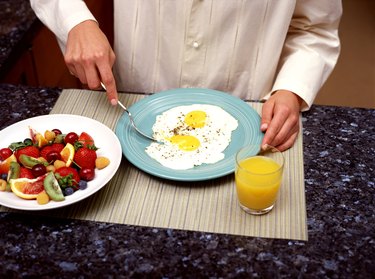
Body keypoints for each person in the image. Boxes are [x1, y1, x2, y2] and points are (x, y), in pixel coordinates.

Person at [30, 0, 342, 151]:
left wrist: (291, 88)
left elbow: (314, 28)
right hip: (135, 118)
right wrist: (75, 21)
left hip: (247, 126)